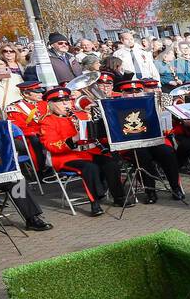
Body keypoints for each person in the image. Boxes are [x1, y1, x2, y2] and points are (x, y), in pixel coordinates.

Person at [38, 85, 125, 216]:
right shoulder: (47, 121)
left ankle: (119, 198)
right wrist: (74, 139)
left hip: (88, 152)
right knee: (90, 168)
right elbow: (51, 146)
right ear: (51, 104)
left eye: (67, 100)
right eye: (60, 101)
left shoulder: (81, 114)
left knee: (110, 163)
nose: (65, 103)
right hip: (66, 157)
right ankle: (94, 203)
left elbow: (96, 134)